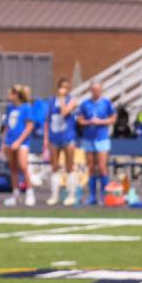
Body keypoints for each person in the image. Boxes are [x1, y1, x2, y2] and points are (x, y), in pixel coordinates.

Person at [76, 81, 115, 205]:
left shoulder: (106, 103)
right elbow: (80, 120)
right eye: (93, 89)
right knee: (91, 168)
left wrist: (101, 122)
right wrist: (89, 122)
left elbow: (113, 118)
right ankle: (92, 196)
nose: (95, 92)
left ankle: (105, 196)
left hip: (102, 138)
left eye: (98, 89)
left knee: (102, 168)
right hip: (88, 139)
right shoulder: (85, 104)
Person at [44, 77, 78, 207]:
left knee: (70, 166)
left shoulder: (71, 100)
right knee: (54, 166)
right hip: (54, 136)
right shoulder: (52, 101)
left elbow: (64, 112)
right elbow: (48, 120)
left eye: (66, 87)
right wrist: (46, 138)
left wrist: (63, 99)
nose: (64, 90)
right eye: (62, 87)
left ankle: (71, 195)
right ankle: (54, 195)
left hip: (67, 136)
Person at [1, 85, 35, 207]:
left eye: (11, 93)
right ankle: (15, 194)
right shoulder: (10, 108)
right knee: (13, 168)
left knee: (23, 166)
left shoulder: (26, 108)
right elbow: (6, 126)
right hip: (10, 142)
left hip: (21, 143)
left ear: (16, 94)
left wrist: (19, 141)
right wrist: (3, 142)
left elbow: (29, 126)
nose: (9, 95)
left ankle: (30, 193)